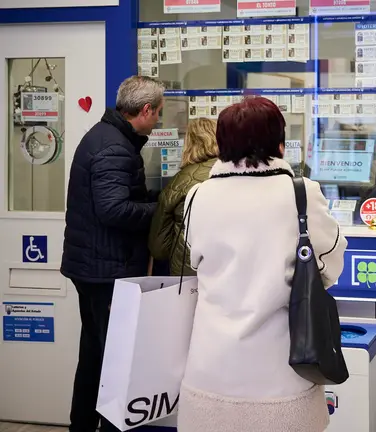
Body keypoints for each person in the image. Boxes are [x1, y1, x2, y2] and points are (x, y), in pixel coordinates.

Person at [177, 97, 347, 432]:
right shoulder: (301, 193)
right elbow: (330, 259)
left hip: (212, 365)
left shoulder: (198, 195)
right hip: (283, 365)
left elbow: (195, 256)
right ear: (279, 143)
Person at [61, 75, 164, 432]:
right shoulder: (115, 146)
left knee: (94, 355)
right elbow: (114, 210)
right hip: (104, 270)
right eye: (159, 113)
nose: (159, 121)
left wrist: (152, 200)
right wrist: (162, 212)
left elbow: (117, 200)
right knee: (114, 362)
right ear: (146, 110)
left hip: (92, 266)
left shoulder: (105, 136)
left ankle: (83, 426)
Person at [148, 118, 218, 276]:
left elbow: (159, 249)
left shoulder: (178, 183)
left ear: (188, 144)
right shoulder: (237, 175)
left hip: (188, 277)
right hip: (229, 275)